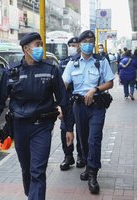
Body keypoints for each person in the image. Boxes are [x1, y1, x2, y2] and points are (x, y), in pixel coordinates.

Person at [0, 32, 74, 200]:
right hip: (20, 127)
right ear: (26, 49)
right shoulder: (12, 72)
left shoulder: (51, 70)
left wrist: (69, 128)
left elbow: (64, 101)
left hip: (43, 127)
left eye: (41, 44)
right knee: (26, 169)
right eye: (37, 45)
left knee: (38, 171)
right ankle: (32, 195)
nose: (41, 48)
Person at [62, 30, 114, 194]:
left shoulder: (101, 61)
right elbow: (63, 84)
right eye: (85, 41)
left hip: (97, 105)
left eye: (91, 41)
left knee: (94, 139)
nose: (88, 43)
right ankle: (87, 163)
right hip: (79, 106)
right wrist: (59, 104)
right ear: (80, 44)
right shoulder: (73, 63)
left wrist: (95, 89)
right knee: (83, 140)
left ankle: (92, 174)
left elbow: (110, 83)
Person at [58, 37, 85, 171]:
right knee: (65, 129)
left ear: (79, 46)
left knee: (81, 129)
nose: (72, 47)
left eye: (74, 45)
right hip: (66, 101)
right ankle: (68, 156)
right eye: (70, 45)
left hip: (79, 99)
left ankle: (81, 155)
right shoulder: (62, 63)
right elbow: (58, 84)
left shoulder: (84, 61)